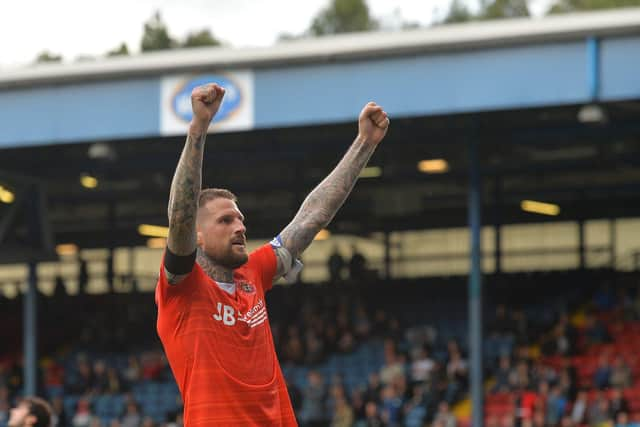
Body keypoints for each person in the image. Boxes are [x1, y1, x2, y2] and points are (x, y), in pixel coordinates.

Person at [155, 83, 390, 426]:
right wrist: (199, 128)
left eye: (240, 219)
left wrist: (364, 144)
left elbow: (311, 217)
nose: (239, 227)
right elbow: (179, 215)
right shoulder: (181, 287)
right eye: (225, 220)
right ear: (197, 236)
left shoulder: (253, 273)